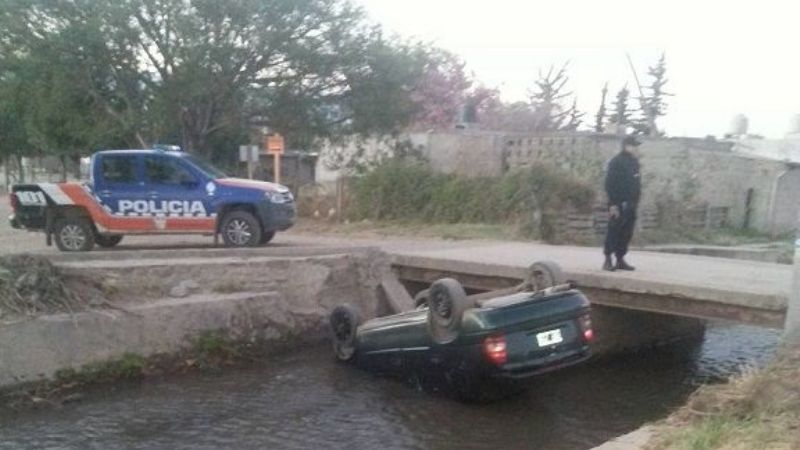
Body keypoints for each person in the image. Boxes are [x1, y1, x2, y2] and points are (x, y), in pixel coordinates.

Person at [603, 136, 641, 271]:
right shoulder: (616, 162)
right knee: (614, 230)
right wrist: (613, 203)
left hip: (631, 203)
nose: (635, 148)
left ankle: (620, 258)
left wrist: (635, 201)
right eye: (633, 145)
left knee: (626, 232)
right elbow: (609, 183)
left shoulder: (634, 162)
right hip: (618, 202)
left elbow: (636, 183)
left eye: (636, 146)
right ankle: (608, 259)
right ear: (626, 146)